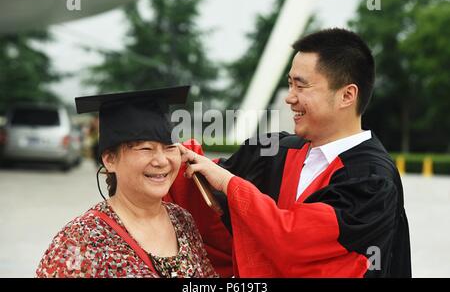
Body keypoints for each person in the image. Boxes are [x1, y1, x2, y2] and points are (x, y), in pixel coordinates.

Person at [169, 28, 412, 277]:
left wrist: (231, 185)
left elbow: (296, 242)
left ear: (347, 95)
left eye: (301, 86)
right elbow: (208, 207)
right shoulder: (275, 152)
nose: (289, 97)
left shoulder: (372, 180)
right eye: (289, 84)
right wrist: (168, 159)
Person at [36, 86, 218, 278]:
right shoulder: (81, 238)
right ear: (110, 160)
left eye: (170, 147)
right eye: (146, 148)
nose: (161, 161)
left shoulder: (182, 221)